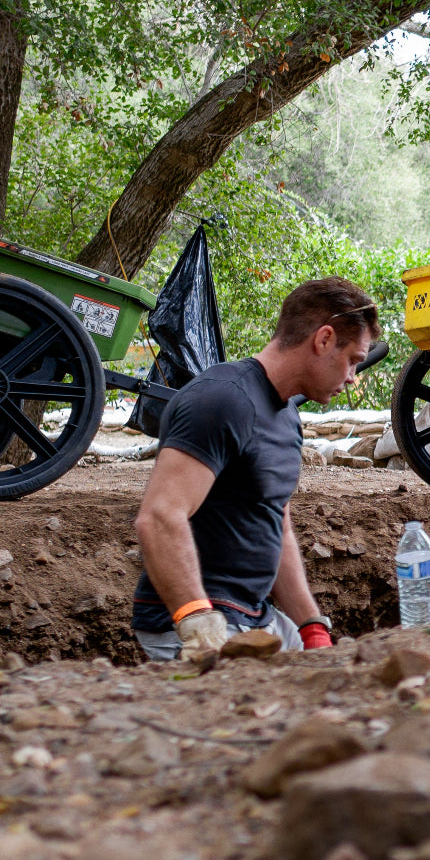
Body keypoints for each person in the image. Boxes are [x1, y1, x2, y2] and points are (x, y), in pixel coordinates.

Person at [131, 277, 379, 661]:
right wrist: (196, 620)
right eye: (353, 361)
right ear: (324, 339)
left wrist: (310, 626)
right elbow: (160, 516)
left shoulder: (286, 415)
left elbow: (274, 518)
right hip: (194, 622)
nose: (351, 378)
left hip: (256, 617)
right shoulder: (222, 400)